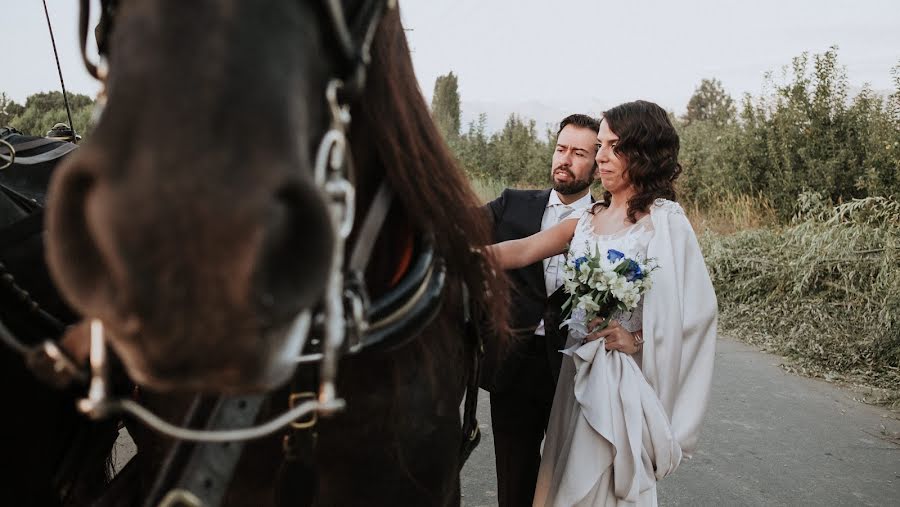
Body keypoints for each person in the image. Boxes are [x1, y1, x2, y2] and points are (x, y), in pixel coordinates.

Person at [489, 100, 717, 506]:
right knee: (561, 481)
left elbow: (697, 312)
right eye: (602, 146)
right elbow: (519, 251)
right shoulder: (585, 220)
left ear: (644, 153)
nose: (602, 157)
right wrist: (446, 255)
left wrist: (639, 338)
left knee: (600, 486)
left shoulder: (665, 221)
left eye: (614, 146)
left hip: (619, 383)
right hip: (573, 374)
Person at [482, 113, 602, 507]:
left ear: (598, 162)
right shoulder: (512, 204)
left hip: (579, 368)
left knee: (572, 481)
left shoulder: (610, 222)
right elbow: (460, 230)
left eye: (578, 153)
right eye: (560, 148)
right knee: (514, 483)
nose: (564, 159)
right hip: (515, 364)